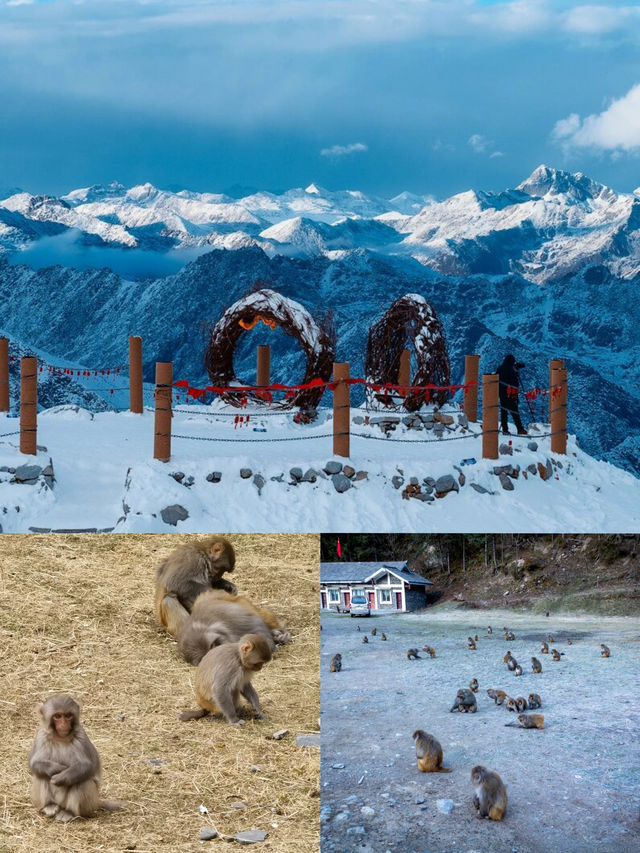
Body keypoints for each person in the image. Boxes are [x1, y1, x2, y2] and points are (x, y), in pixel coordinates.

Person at [496, 354, 527, 436]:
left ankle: (505, 430)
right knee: (515, 412)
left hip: (502, 394)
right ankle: (520, 429)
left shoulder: (500, 368)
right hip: (510, 395)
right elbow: (515, 383)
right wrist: (516, 372)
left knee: (504, 412)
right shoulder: (511, 370)